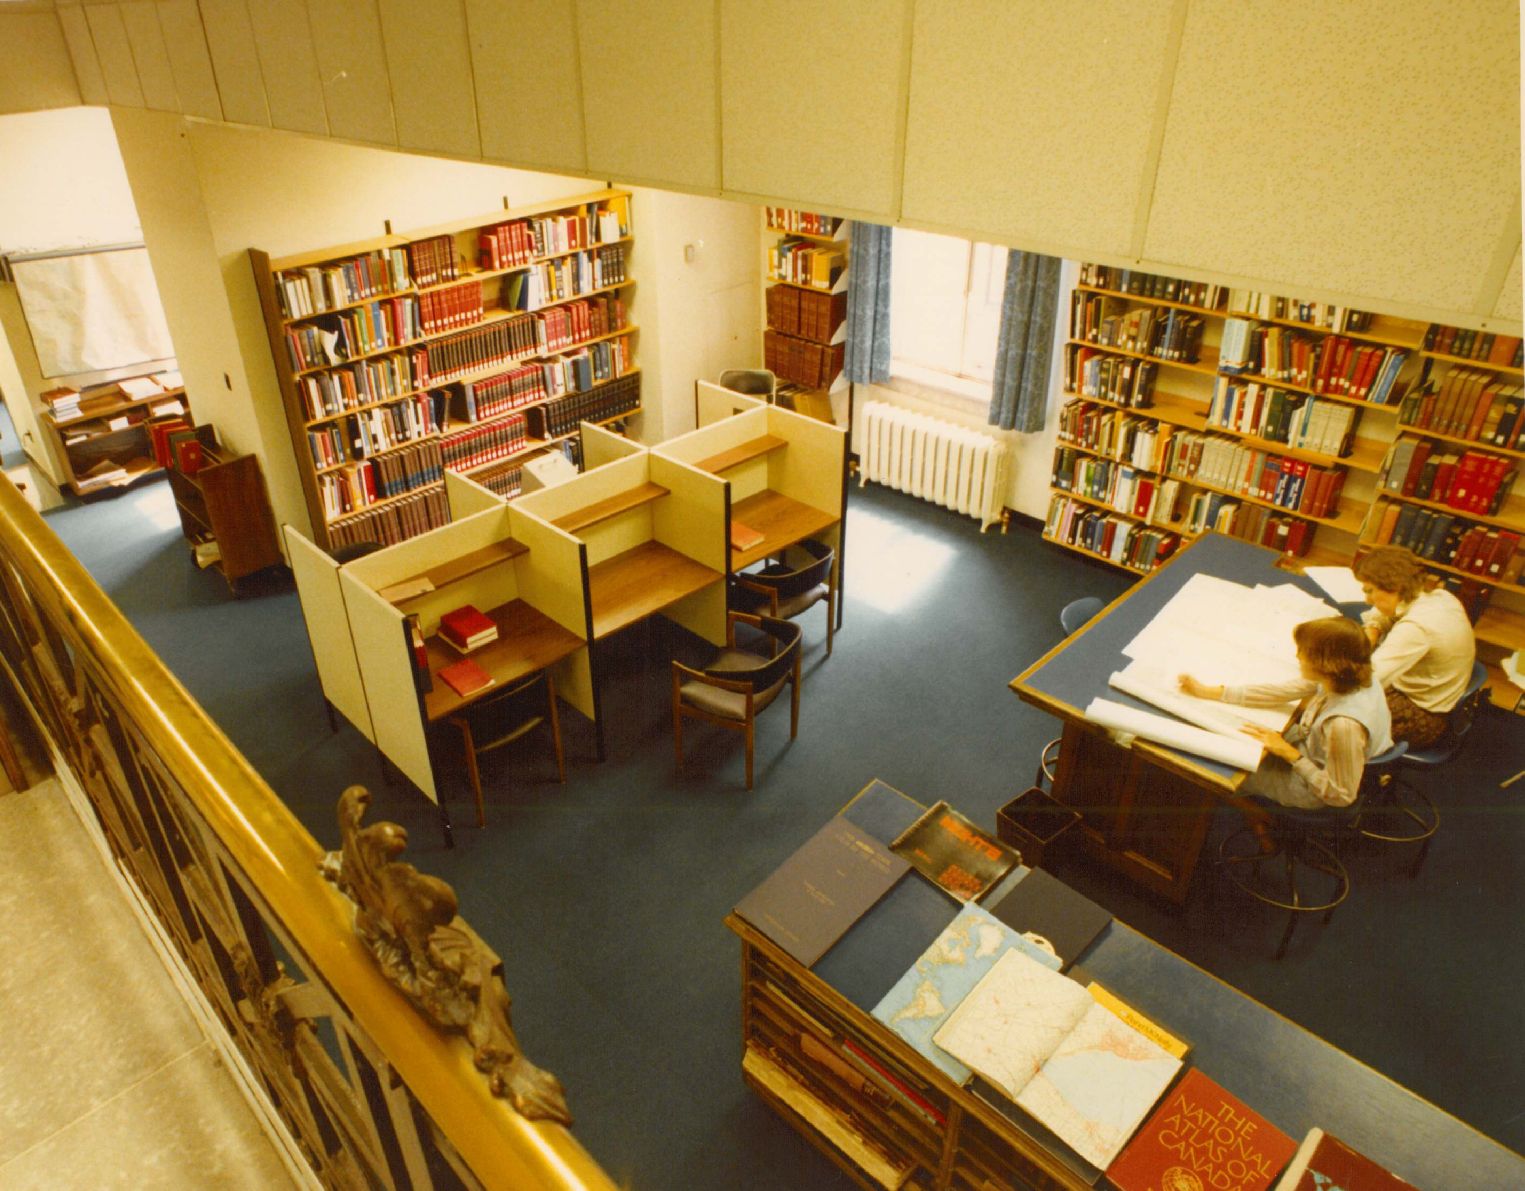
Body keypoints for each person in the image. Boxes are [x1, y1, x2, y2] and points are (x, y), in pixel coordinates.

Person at [1178, 616, 1392, 811]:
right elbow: (1279, 692)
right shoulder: (1349, 673)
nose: (1297, 655)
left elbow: (1341, 796)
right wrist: (1207, 691)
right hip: (1311, 749)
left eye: (1303, 651)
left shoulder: (1343, 726)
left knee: (1217, 770)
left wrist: (1289, 754)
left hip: (1311, 786)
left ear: (1324, 664)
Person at [1352, 545, 1475, 748]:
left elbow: (1365, 681)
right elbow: (1385, 611)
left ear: (1396, 588)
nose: (1367, 600)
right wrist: (1373, 629)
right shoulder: (1441, 597)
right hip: (1436, 694)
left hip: (1423, 714)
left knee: (1336, 717)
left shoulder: (1417, 628)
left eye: (1370, 591)